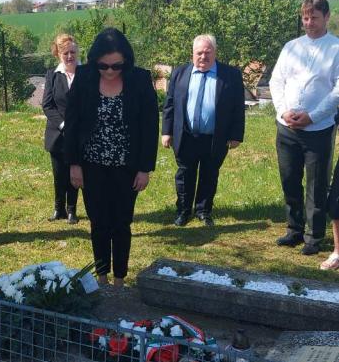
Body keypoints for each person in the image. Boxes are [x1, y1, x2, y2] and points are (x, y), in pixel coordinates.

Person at [64, 27, 158, 287]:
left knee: (121, 223)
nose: (109, 71)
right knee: (98, 222)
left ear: (126, 61)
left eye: (116, 66)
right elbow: (72, 124)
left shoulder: (139, 79)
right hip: (91, 165)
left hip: (126, 167)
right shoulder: (84, 77)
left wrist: (144, 168)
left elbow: (150, 127)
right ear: (95, 60)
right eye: (103, 66)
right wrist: (74, 164)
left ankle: (119, 279)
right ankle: (102, 277)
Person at [270, 0, 339, 256]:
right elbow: (276, 81)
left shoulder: (335, 48)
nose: (309, 23)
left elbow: (337, 91)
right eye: (305, 18)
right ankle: (294, 228)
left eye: (314, 18)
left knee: (316, 184)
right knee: (289, 179)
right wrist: (283, 111)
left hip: (318, 129)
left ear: (327, 17)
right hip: (287, 126)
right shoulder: (292, 47)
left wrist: (312, 116)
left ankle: (314, 235)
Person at [161, 34, 245, 228]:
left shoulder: (230, 75)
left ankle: (203, 211)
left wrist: (236, 135)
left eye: (207, 52)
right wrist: (166, 131)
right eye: (199, 53)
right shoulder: (180, 73)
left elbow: (238, 107)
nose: (203, 57)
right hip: (186, 135)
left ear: (215, 52)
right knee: (184, 174)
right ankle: (183, 211)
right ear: (192, 53)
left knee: (209, 174)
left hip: (215, 137)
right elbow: (170, 104)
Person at [42, 33, 80, 223]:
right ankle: (59, 209)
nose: (70, 56)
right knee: (59, 174)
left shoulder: (86, 73)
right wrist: (63, 124)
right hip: (57, 134)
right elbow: (47, 105)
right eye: (65, 53)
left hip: (79, 133)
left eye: (73, 52)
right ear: (58, 54)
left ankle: (72, 210)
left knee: (75, 172)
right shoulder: (52, 75)